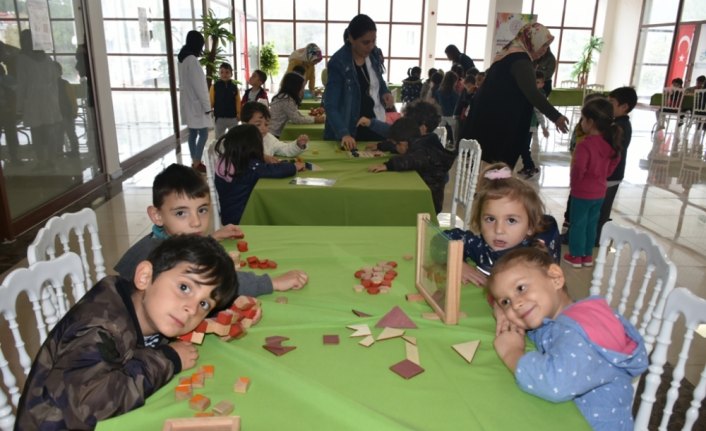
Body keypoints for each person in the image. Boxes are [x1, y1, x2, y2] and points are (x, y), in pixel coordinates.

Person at [16, 234, 239, 429]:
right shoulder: (98, 328)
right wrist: (168, 358)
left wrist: (221, 316)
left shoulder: (145, 304)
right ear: (144, 277)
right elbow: (89, 408)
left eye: (204, 304)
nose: (191, 309)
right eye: (184, 287)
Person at [489, 246, 647, 431]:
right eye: (506, 301)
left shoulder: (575, 331)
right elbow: (542, 330)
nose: (516, 304)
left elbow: (554, 384)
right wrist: (501, 310)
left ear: (555, 278)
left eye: (521, 288)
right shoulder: (563, 314)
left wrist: (512, 353)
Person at [114, 163, 309, 297]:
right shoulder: (160, 256)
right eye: (181, 213)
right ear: (157, 215)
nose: (196, 222)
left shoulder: (165, 239)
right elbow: (212, 283)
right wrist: (271, 283)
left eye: (202, 210)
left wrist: (210, 238)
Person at [460, 23, 569, 170]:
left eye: (547, 46)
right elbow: (533, 94)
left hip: (490, 115)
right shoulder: (521, 61)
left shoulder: (510, 53)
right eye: (543, 45)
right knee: (498, 163)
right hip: (499, 120)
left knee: (491, 162)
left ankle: (488, 190)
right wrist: (556, 116)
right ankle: (491, 191)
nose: (545, 50)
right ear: (532, 40)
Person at [444, 163, 560, 286]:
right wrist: (456, 263)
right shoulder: (478, 246)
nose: (498, 230)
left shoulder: (535, 256)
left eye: (511, 220)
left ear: (530, 227)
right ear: (479, 220)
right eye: (490, 219)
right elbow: (438, 240)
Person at [367, 100, 456, 214]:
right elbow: (400, 146)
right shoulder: (418, 141)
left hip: (428, 202)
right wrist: (381, 146)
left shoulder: (426, 147)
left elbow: (412, 159)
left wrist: (389, 165)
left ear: (423, 128)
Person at [564, 98, 622, 268]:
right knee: (591, 224)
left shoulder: (585, 145)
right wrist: (604, 174)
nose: (581, 122)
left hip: (582, 192)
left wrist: (575, 183)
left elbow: (579, 168)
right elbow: (615, 161)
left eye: (582, 119)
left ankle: (575, 255)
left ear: (590, 122)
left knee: (577, 224)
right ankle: (587, 256)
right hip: (600, 191)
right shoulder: (610, 143)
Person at [324, 14, 394, 150]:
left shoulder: (374, 54)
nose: (371, 46)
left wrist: (385, 91)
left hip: (374, 124)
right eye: (365, 42)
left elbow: (379, 79)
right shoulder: (338, 63)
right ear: (351, 38)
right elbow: (330, 105)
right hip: (350, 129)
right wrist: (344, 133)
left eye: (374, 41)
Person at [215, 124, 304, 225]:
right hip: (243, 217)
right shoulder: (248, 167)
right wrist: (294, 167)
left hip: (229, 214)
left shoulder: (229, 160)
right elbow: (271, 171)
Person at [16, 29, 63, 168]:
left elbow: (22, 84)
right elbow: (54, 81)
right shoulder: (46, 58)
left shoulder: (23, 59)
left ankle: (43, 160)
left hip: (34, 100)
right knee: (49, 130)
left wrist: (19, 107)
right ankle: (50, 159)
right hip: (48, 99)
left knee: (37, 131)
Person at [596, 87, 637, 243]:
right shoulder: (616, 123)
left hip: (611, 174)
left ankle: (599, 237)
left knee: (602, 209)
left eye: (611, 102)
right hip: (610, 173)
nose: (608, 106)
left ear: (624, 106)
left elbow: (611, 150)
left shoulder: (620, 126)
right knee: (600, 207)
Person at [178, 30, 211, 173]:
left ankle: (194, 160)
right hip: (197, 104)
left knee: (192, 133)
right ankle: (197, 162)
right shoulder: (192, 61)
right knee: (203, 133)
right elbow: (200, 87)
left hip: (189, 103)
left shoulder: (182, 59)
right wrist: (207, 106)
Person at [241, 101, 308, 160]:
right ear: (244, 125)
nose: (263, 128)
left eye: (266, 124)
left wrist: (298, 145)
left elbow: (285, 149)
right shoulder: (238, 141)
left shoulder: (269, 138)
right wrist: (263, 157)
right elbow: (241, 158)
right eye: (258, 124)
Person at [269, 72, 324, 138]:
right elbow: (297, 119)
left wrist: (312, 118)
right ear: (295, 87)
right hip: (273, 134)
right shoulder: (286, 99)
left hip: (273, 131)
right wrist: (315, 120)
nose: (303, 90)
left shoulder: (285, 97)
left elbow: (295, 114)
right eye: (302, 87)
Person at [517, 71, 550, 179]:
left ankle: (530, 166)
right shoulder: (531, 92)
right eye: (534, 82)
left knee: (524, 147)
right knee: (523, 146)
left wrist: (544, 127)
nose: (535, 84)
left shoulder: (538, 95)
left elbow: (539, 112)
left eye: (538, 82)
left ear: (542, 84)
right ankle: (527, 165)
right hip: (524, 124)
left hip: (530, 125)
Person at [210, 62, 241, 139]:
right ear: (219, 74)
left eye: (227, 72)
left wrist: (239, 113)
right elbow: (211, 100)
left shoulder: (234, 87)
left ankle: (233, 151)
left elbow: (238, 102)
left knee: (234, 137)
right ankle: (219, 150)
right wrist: (209, 111)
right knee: (219, 138)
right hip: (219, 118)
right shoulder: (214, 87)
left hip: (233, 118)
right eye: (222, 72)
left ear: (231, 74)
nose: (224, 74)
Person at [435, 71, 460, 144]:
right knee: (455, 134)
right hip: (452, 115)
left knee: (439, 133)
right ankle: (455, 146)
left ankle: (439, 144)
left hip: (442, 115)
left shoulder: (439, 91)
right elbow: (456, 104)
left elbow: (437, 102)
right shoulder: (453, 93)